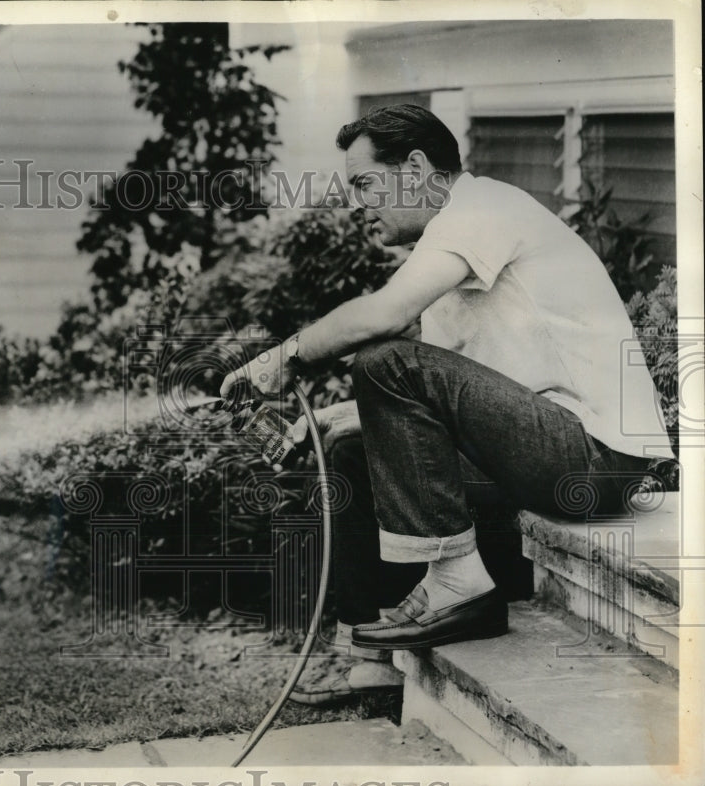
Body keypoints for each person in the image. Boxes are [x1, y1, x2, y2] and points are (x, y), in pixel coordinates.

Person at [219, 104, 674, 704]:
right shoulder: (452, 242)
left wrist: (285, 356)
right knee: (350, 450)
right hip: (550, 453)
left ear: (415, 169)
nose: (359, 204)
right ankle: (373, 661)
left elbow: (385, 321)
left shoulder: (482, 210)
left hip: (596, 460)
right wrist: (322, 420)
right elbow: (428, 412)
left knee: (382, 359)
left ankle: (459, 584)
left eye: (366, 183)